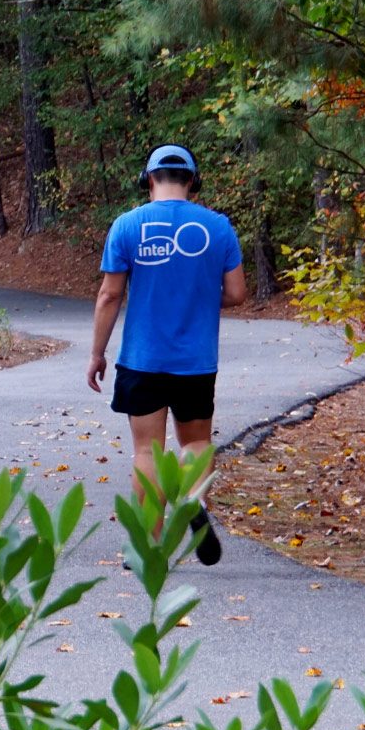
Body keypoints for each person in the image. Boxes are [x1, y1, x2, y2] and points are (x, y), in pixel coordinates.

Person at [87, 144, 247, 565]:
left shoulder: (127, 225)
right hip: (196, 361)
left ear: (149, 180)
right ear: (192, 180)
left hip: (142, 359)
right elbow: (236, 293)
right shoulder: (218, 227)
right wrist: (197, 295)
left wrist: (97, 353)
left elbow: (109, 295)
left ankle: (148, 547)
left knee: (147, 451)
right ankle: (193, 500)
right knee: (195, 441)